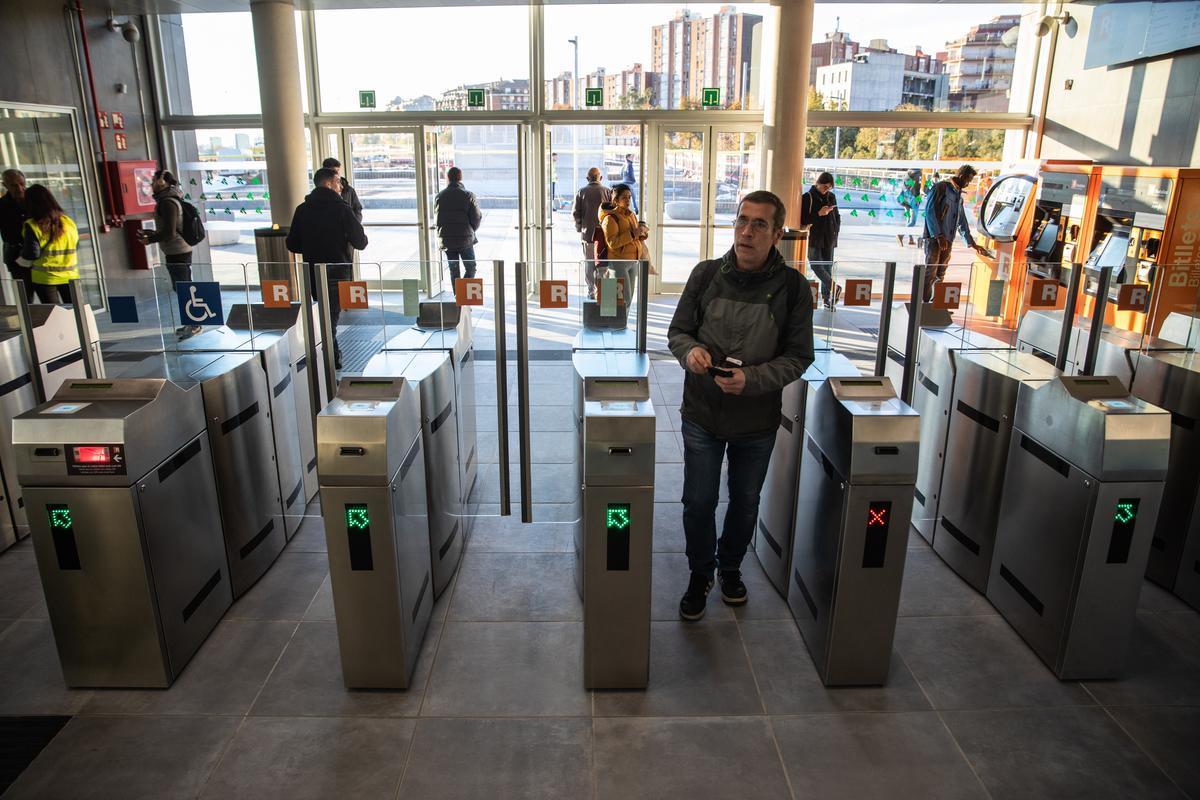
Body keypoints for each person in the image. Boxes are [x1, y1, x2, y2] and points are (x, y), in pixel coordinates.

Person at [667, 190, 815, 620]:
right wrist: (689, 351)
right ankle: (700, 573)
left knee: (745, 500)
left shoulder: (793, 288)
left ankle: (730, 567)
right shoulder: (705, 274)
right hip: (702, 413)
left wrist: (752, 380)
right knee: (698, 501)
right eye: (741, 221)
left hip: (756, 419)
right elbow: (678, 331)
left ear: (777, 234)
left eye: (759, 224)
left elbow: (799, 356)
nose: (746, 232)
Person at [286, 167, 368, 370]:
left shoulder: (302, 209)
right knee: (330, 317)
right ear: (329, 184)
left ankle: (329, 354)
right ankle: (331, 358)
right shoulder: (342, 209)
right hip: (337, 270)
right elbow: (361, 241)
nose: (341, 187)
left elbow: (292, 244)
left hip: (312, 271)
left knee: (323, 314)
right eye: (339, 182)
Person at [136, 169, 198, 338]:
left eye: (154, 180)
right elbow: (168, 229)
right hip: (177, 250)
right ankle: (192, 322)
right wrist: (152, 233)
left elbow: (170, 232)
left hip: (178, 251)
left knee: (183, 289)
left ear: (163, 182)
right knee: (182, 288)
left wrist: (151, 239)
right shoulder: (168, 200)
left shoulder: (168, 203)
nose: (151, 184)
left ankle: (194, 324)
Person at [922, 164, 987, 301]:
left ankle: (935, 304)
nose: (968, 184)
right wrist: (938, 235)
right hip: (935, 239)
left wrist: (972, 243)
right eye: (968, 180)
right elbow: (929, 212)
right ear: (962, 176)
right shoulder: (941, 187)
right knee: (930, 272)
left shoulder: (959, 197)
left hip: (948, 240)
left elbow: (961, 222)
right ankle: (923, 303)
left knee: (941, 273)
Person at [17, 185, 79, 305]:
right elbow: (76, 245)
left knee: (54, 313)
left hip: (45, 279)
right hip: (70, 276)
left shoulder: (33, 225)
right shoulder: (68, 221)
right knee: (75, 312)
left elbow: (32, 253)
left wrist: (20, 254)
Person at [598, 183, 646, 306]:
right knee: (623, 300)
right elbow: (612, 243)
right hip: (619, 262)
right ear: (616, 200)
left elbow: (634, 236)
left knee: (628, 298)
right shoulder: (610, 218)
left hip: (633, 260)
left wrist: (641, 234)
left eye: (629, 197)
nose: (628, 200)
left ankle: (621, 324)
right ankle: (617, 325)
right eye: (624, 197)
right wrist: (633, 234)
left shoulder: (631, 215)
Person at [434, 166, 483, 285]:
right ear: (460, 177)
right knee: (471, 268)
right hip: (465, 239)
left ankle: (458, 299)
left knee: (454, 271)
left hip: (447, 241)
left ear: (448, 178)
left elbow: (438, 219)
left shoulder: (440, 196)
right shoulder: (468, 195)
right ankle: (464, 296)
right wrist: (470, 230)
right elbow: (476, 218)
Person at [799, 172, 841, 308]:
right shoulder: (807, 197)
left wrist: (836, 231)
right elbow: (803, 219)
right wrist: (819, 213)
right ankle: (834, 287)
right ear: (818, 183)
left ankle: (827, 298)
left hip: (829, 236)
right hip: (814, 237)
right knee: (816, 265)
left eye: (829, 188)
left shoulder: (831, 197)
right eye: (824, 187)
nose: (826, 190)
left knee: (828, 267)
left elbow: (836, 216)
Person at [572, 166, 611, 298]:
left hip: (588, 234)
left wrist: (579, 228)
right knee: (603, 264)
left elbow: (575, 213)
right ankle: (603, 293)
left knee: (589, 263)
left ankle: (591, 291)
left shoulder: (581, 192)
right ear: (601, 178)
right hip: (605, 236)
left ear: (588, 178)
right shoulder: (608, 192)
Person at [0, 169, 32, 301]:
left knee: (49, 299)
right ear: (5, 185)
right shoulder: (1, 205)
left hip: (38, 256)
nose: (20, 188)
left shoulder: (35, 201)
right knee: (25, 299)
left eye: (22, 184)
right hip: (16, 256)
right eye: (14, 185)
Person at [321, 157, 363, 222]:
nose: (337, 173)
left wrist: (355, 223)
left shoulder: (349, 190)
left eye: (338, 170)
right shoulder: (319, 195)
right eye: (334, 171)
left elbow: (357, 208)